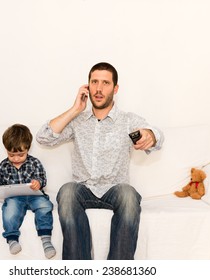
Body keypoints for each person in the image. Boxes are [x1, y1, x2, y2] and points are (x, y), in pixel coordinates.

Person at [36, 62, 164, 260]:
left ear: (115, 88)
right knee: (67, 191)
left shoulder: (128, 120)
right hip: (83, 189)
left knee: (129, 195)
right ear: (87, 86)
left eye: (105, 83)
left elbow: (156, 136)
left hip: (115, 189)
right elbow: (43, 137)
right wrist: (75, 109)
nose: (99, 88)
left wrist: (150, 135)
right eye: (94, 82)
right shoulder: (77, 121)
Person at [0, 124, 56, 259]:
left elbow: (42, 179)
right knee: (10, 209)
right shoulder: (3, 165)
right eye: (11, 155)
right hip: (15, 198)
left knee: (45, 206)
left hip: (34, 196)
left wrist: (38, 183)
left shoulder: (34, 163)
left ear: (28, 149)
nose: (16, 158)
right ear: (6, 150)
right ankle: (12, 239)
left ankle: (46, 239)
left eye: (20, 155)